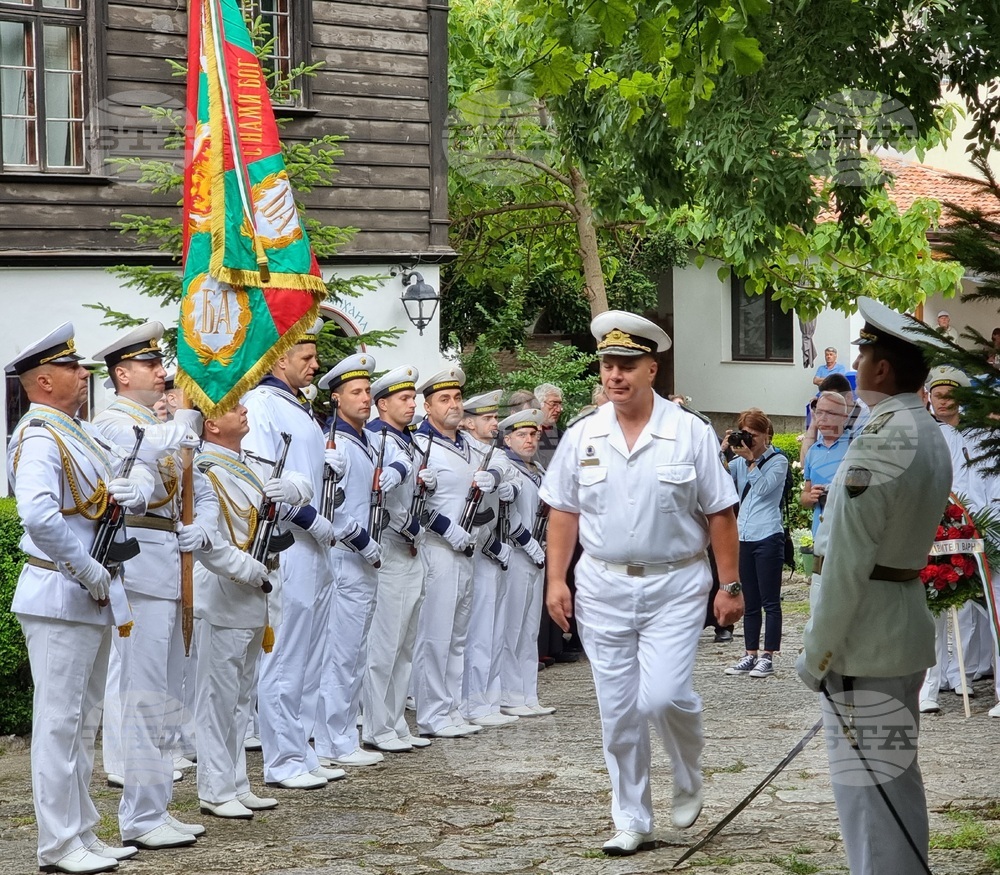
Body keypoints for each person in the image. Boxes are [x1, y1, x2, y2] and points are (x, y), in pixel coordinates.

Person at [541, 310, 742, 856]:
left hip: (675, 584)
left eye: (627, 365)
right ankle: (632, 818)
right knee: (619, 712)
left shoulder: (689, 434)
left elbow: (721, 512)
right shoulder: (584, 434)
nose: (615, 376)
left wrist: (730, 586)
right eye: (608, 366)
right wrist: (555, 580)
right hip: (603, 585)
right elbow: (563, 511)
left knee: (665, 696)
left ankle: (687, 768)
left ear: (652, 369)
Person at [796, 296, 952, 875]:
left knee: (869, 796)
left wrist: (818, 652)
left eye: (864, 353)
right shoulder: (924, 429)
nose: (858, 363)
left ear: (882, 369)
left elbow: (847, 561)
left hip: (866, 638)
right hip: (897, 624)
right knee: (892, 783)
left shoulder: (883, 437)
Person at [5, 323, 154, 875]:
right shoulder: (39, 435)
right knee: (59, 725)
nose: (84, 372)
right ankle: (57, 845)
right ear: (44, 380)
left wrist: (131, 488)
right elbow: (39, 514)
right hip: (59, 591)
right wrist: (87, 565)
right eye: (71, 367)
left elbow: (116, 477)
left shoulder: (75, 430)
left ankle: (82, 834)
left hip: (87, 591)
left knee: (82, 723)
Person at [92, 322, 216, 851]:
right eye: (151, 365)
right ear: (122, 375)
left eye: (161, 364)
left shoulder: (150, 422)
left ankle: (155, 807)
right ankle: (139, 816)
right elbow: (170, 445)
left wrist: (201, 527)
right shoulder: (116, 421)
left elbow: (194, 476)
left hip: (169, 566)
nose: (162, 373)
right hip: (140, 571)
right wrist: (191, 401)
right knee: (144, 695)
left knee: (166, 693)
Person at [241, 319, 347, 790]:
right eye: (306, 356)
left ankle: (301, 749)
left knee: (312, 654)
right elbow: (265, 486)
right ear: (279, 357)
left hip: (315, 548)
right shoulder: (262, 404)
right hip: (289, 546)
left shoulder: (298, 408)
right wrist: (311, 520)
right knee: (285, 655)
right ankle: (281, 758)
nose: (315, 364)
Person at [192, 403, 311, 818]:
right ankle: (214, 788)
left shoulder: (252, 463)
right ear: (211, 424)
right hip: (225, 591)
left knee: (241, 697)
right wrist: (247, 568)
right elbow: (209, 541)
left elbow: (300, 480)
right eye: (232, 409)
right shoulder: (205, 468)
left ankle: (237, 782)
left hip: (257, 594)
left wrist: (293, 488)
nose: (244, 412)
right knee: (216, 699)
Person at [313, 355, 388, 769]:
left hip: (364, 559)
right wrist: (360, 539)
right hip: (345, 555)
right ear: (337, 398)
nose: (365, 398)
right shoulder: (335, 443)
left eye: (367, 391)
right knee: (340, 653)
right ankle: (331, 739)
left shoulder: (366, 440)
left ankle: (343, 733)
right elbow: (330, 503)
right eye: (356, 392)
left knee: (356, 650)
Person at [411, 367, 491, 738]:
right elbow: (415, 503)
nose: (454, 404)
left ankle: (453, 707)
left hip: (468, 547)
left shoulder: (468, 445)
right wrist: (448, 531)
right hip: (439, 549)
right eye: (444, 399)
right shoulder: (420, 444)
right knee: (436, 634)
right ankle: (432, 712)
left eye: (457, 398)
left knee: (459, 633)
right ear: (427, 406)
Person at [361, 366, 435, 753]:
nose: (412, 405)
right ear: (383, 403)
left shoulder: (408, 440)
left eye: (413, 398)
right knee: (385, 642)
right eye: (404, 399)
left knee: (406, 641)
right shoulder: (375, 438)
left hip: (412, 543)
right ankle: (376, 724)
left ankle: (394, 722)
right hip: (388, 544)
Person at [918, 366, 994, 713]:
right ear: (929, 398)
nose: (944, 402)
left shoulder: (980, 436)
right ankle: (929, 688)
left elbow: (983, 486)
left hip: (977, 528)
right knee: (934, 609)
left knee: (980, 611)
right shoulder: (925, 435)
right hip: (934, 528)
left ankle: (965, 675)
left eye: (950, 396)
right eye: (937, 395)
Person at [459, 391, 522, 728]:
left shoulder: (495, 453)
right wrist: (488, 545)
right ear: (469, 422)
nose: (495, 423)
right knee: (477, 633)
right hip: (478, 551)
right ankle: (472, 702)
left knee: (494, 631)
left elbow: (508, 476)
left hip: (496, 551)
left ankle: (489, 699)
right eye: (488, 418)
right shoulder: (470, 451)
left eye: (495, 417)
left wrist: (509, 487)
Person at [722, 409, 788, 679]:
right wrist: (723, 451)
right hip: (744, 536)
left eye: (754, 435)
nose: (749, 440)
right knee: (749, 600)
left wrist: (752, 461)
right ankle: (750, 654)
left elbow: (762, 489)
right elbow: (722, 483)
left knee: (770, 600)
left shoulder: (778, 461)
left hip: (768, 535)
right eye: (745, 434)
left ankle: (768, 656)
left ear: (767, 435)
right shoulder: (739, 461)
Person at [496, 408, 551, 717]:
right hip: (517, 553)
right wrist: (528, 544)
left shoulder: (538, 470)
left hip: (538, 555)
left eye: (533, 434)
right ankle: (510, 694)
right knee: (512, 627)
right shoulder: (506, 467)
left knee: (530, 629)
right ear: (508, 439)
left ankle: (528, 693)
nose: (530, 440)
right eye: (522, 435)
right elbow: (509, 514)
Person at [801, 392, 851, 543]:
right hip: (820, 536)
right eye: (819, 412)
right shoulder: (813, 451)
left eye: (829, 412)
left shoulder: (856, 446)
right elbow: (805, 495)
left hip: (848, 537)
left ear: (844, 416)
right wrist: (810, 498)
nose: (822, 418)